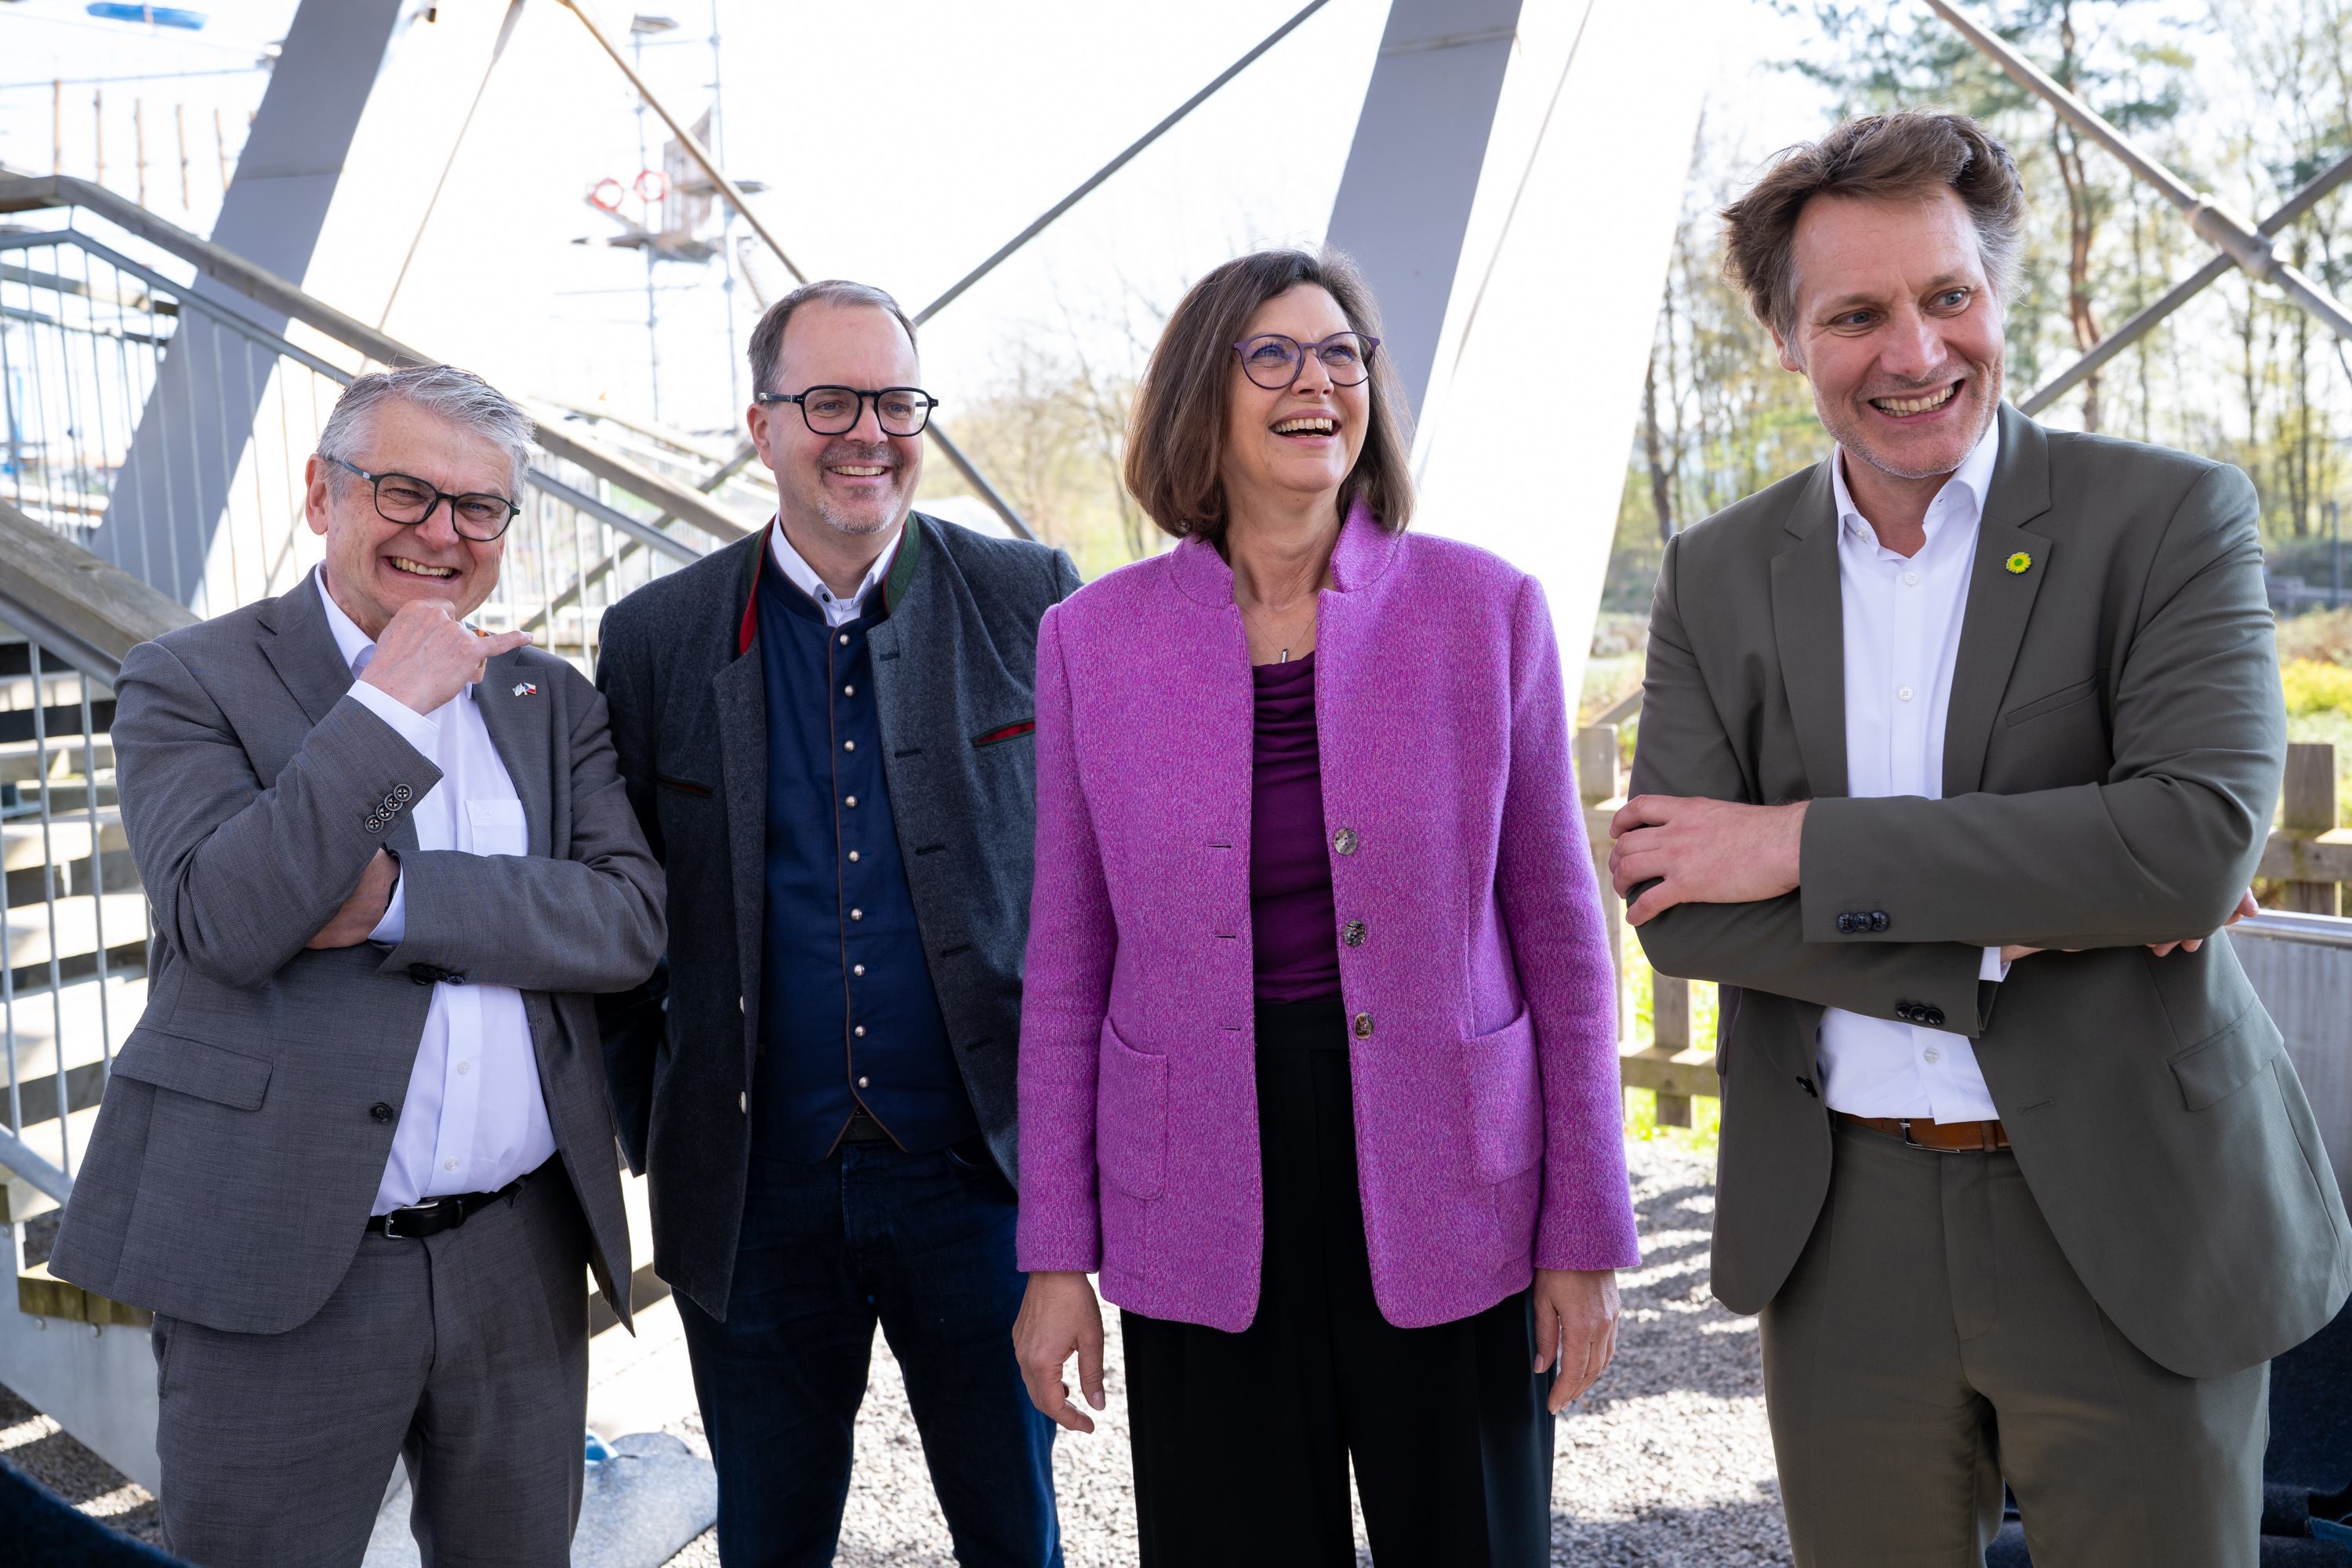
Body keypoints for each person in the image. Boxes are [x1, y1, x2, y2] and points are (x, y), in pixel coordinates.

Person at [1610, 111, 2352, 1567]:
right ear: (1787, 340)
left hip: (2136, 1202)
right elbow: (1679, 899)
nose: (1916, 351)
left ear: (1997, 292)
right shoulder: (1716, 572)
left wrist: (1802, 846)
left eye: (1949, 295)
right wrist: (2036, 916)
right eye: (1856, 315)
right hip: (1843, 1221)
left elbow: (2194, 842)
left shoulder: (2168, 518)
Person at [1011, 248, 1639, 1567]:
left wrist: (1583, 1232)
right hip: (1198, 1190)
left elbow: (1565, 948)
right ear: (1204, 394)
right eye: (1274, 355)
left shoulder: (1486, 610)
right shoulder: (1091, 640)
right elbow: (1068, 962)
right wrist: (1056, 1256)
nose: (1318, 381)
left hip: (1453, 1178)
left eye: (1341, 354)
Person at [48, 365, 666, 1566]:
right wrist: (386, 709)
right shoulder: (191, 677)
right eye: (403, 491)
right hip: (280, 1252)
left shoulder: (546, 695)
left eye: (478, 507)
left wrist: (398, 901)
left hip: (519, 1254)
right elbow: (229, 918)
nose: (442, 532)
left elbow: (627, 920)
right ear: (322, 494)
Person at [595, 280, 1081, 1568]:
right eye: (829, 401)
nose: (869, 431)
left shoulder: (1032, 597)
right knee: (769, 1540)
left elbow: (1093, 887)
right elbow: (620, 914)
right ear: (761, 426)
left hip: (980, 1182)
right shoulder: (654, 640)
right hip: (752, 1194)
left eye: (895, 400)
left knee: (1015, 1535)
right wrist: (660, 1125)